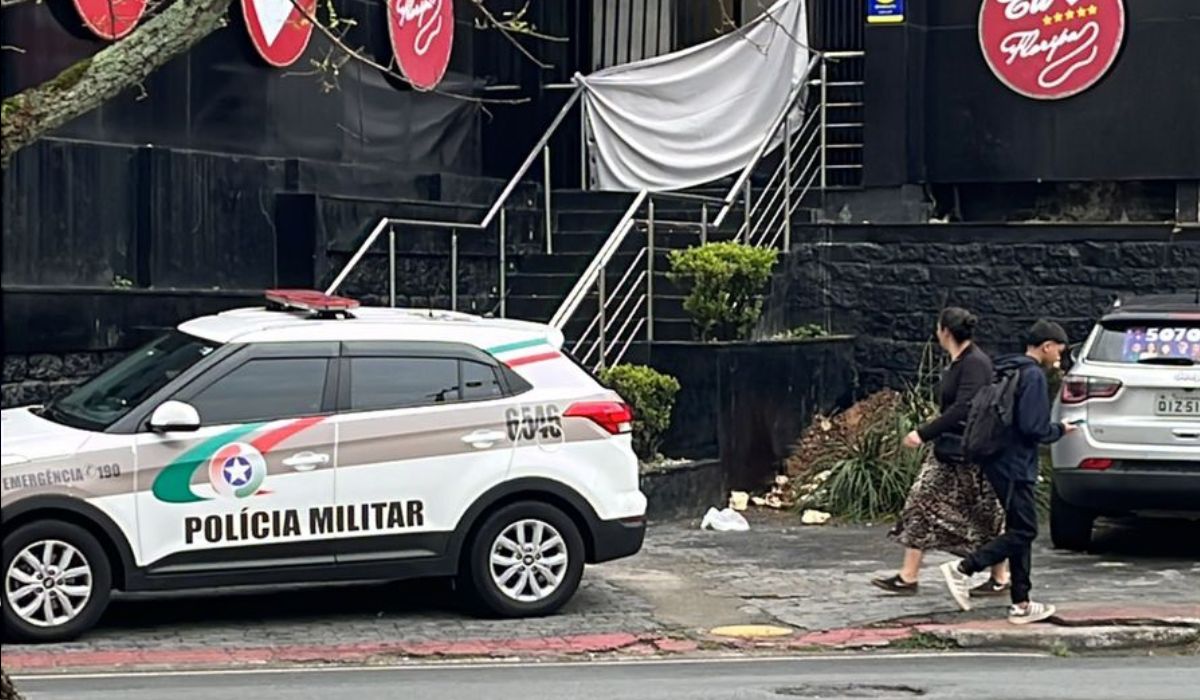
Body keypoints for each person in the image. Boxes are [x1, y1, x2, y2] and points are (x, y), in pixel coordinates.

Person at [940, 319, 1077, 624]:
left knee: (1019, 530)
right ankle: (965, 568)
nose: (1059, 357)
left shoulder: (1004, 369)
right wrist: (1059, 430)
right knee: (1025, 530)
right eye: (1058, 351)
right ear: (1046, 346)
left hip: (996, 459)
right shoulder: (1033, 377)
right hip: (1016, 464)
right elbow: (1032, 427)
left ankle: (1022, 603)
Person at [871, 308, 1008, 597]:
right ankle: (908, 577)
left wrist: (923, 433)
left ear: (944, 331)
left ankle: (1000, 576)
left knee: (986, 513)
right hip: (948, 451)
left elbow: (963, 408)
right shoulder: (959, 362)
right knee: (921, 500)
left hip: (970, 452)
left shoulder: (975, 363)